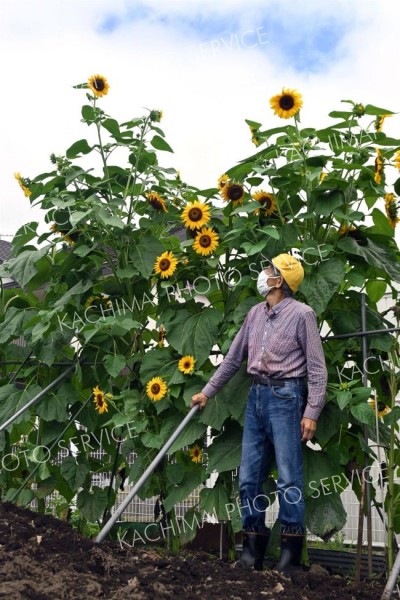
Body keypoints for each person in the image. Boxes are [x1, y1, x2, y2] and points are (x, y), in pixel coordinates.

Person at [191, 253, 327, 573]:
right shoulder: (254, 313)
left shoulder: (302, 315)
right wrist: (207, 391)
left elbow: (317, 369)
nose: (263, 274)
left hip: (287, 397)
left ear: (279, 280)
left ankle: (291, 560)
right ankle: (252, 554)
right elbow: (232, 359)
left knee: (289, 479)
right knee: (249, 479)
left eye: (269, 270)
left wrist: (312, 411)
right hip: (256, 397)